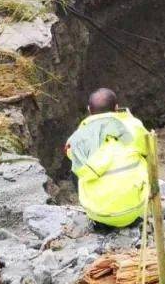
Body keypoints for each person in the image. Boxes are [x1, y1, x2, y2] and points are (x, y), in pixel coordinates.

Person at [65, 88, 151, 227]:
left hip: (100, 214)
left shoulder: (79, 136)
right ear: (116, 108)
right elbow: (150, 150)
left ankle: (96, 215)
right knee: (142, 156)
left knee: (77, 166)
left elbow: (70, 155)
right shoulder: (133, 125)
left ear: (89, 110)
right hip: (136, 209)